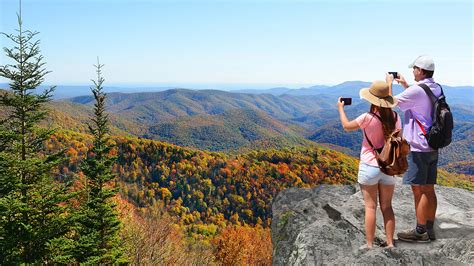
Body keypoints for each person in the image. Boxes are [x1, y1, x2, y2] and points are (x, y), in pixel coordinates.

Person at [337, 80, 401, 249]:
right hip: (388, 167)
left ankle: (369, 245)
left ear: (372, 99)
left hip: (369, 166)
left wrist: (341, 108)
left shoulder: (367, 118)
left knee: (370, 207)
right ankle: (389, 243)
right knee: (387, 206)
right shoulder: (395, 117)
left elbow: (346, 126)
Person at [386, 55, 441, 243]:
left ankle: (420, 232)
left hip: (418, 147)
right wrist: (406, 86)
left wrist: (389, 84)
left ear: (421, 71)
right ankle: (430, 228)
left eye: (414, 69)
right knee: (429, 188)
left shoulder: (417, 90)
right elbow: (420, 102)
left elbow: (389, 102)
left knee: (419, 190)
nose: (412, 71)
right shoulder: (436, 87)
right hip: (432, 145)